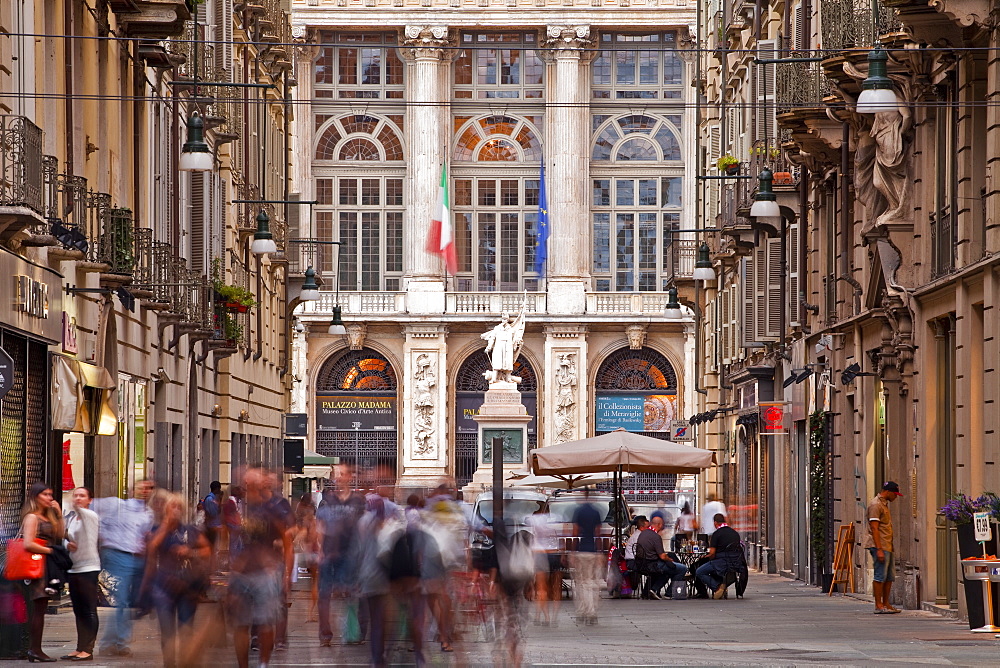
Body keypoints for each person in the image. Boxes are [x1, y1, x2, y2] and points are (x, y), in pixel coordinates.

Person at [228, 468, 293, 668]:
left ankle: (263, 664)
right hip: (242, 572)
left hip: (265, 573)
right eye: (245, 481)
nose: (245, 484)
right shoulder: (237, 506)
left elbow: (287, 539)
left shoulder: (272, 508)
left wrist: (286, 575)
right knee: (241, 624)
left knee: (265, 622)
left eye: (249, 482)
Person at [140, 494, 211, 667]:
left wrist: (190, 552)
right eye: (172, 507)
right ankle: (169, 663)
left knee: (186, 628)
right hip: (163, 586)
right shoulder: (157, 529)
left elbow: (207, 550)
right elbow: (151, 549)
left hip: (186, 585)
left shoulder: (190, 531)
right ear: (166, 510)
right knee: (167, 631)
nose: (176, 510)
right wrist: (166, 526)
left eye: (179, 507)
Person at [90, 479, 154, 657]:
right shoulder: (116, 505)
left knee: (130, 602)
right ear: (133, 490)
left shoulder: (148, 513)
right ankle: (116, 643)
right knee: (122, 601)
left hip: (137, 558)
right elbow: (90, 507)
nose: (145, 491)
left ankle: (113, 642)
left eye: (149, 488)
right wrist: (102, 535)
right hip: (118, 555)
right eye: (142, 487)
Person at [316, 465, 365, 646]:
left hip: (350, 552)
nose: (338, 478)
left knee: (351, 593)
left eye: (342, 474)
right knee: (324, 594)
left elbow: (363, 526)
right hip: (329, 553)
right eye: (336, 475)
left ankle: (351, 631)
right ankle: (325, 635)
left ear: (349, 477)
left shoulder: (358, 501)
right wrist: (320, 549)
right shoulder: (326, 500)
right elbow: (319, 526)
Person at [19, 482, 65, 662]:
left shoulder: (47, 516)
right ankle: (35, 649)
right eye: (45, 494)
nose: (49, 498)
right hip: (37, 566)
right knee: (38, 608)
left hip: (46, 566)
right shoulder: (31, 517)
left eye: (50, 494)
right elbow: (28, 543)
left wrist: (59, 513)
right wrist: (51, 551)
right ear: (35, 497)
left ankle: (35, 649)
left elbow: (60, 534)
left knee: (41, 607)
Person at [63, 487, 101, 662]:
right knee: (78, 610)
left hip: (88, 568)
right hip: (74, 568)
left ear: (89, 500)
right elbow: (67, 538)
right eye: (76, 495)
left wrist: (65, 507)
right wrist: (67, 545)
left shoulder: (90, 516)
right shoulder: (73, 519)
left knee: (89, 609)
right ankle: (80, 647)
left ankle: (88, 649)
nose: (78, 498)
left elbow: (82, 513)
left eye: (82, 496)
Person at [866, 481, 903, 614]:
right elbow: (874, 528)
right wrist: (879, 549)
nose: (896, 497)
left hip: (887, 545)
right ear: (888, 492)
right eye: (895, 494)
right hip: (879, 545)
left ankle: (886, 603)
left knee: (889, 576)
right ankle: (878, 605)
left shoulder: (884, 504)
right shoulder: (876, 505)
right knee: (880, 575)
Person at [570, 491, 602, 624]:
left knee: (582, 583)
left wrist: (572, 551)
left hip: (581, 550)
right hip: (593, 551)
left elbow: (575, 532)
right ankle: (591, 610)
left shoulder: (578, 511)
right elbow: (598, 533)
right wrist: (600, 552)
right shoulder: (596, 512)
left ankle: (585, 610)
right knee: (592, 582)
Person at [635, 515, 686, 600]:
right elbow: (662, 556)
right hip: (653, 565)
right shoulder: (655, 537)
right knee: (682, 568)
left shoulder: (643, 533)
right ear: (659, 525)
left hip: (642, 563)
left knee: (670, 568)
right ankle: (669, 593)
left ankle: (654, 589)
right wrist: (669, 559)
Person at [525, 507, 560, 626]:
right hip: (549, 557)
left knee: (541, 589)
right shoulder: (551, 531)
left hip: (539, 556)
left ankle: (545, 617)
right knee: (544, 589)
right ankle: (539, 615)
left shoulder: (537, 532)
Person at [696, 513, 744, 599]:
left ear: (715, 523)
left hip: (722, 563)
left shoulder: (716, 534)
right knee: (709, 567)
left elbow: (712, 553)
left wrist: (705, 557)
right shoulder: (735, 533)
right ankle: (722, 584)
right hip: (736, 562)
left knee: (700, 571)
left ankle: (717, 587)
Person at [290, 493, 320, 621]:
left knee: (310, 585)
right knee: (315, 584)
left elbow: (294, 541)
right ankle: (310, 612)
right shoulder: (316, 524)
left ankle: (308, 612)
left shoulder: (301, 527)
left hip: (306, 555)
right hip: (314, 555)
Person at [203, 481, 223, 560]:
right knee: (213, 548)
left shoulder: (214, 499)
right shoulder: (210, 499)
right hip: (212, 526)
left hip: (215, 525)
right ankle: (211, 569)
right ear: (217, 489)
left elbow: (218, 511)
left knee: (215, 548)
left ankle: (213, 568)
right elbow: (213, 513)